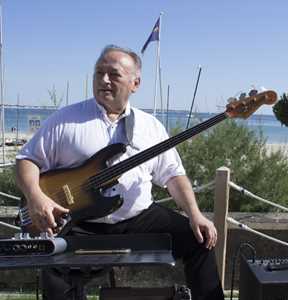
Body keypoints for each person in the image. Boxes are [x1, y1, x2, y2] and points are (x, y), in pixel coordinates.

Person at [15, 45, 224, 300]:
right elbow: (27, 160)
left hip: (139, 219)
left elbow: (173, 175)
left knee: (199, 240)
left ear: (135, 83)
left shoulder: (150, 127)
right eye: (98, 73)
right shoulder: (65, 119)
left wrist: (195, 214)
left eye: (113, 74)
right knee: (56, 271)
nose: (104, 80)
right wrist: (36, 197)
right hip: (80, 223)